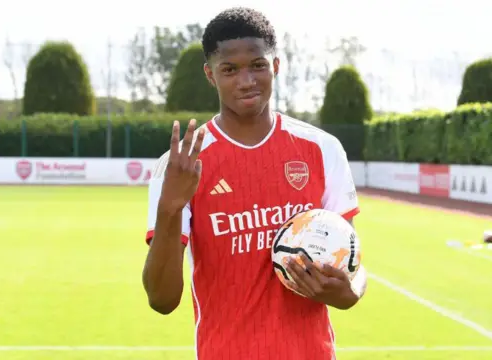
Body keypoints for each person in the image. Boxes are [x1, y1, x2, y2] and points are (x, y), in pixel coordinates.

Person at [142, 7, 367, 360]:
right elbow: (162, 299)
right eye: (229, 70)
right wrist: (170, 207)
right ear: (210, 75)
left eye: (257, 65)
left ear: (275, 65)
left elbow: (352, 264)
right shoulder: (182, 167)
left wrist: (349, 291)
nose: (246, 81)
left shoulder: (322, 149)